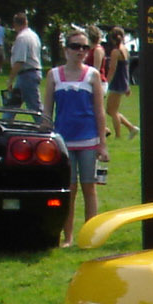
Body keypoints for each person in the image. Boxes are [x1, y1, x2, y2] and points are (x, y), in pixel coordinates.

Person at [43, 29, 109, 247]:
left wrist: (103, 144)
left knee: (89, 187)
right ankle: (68, 237)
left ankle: (90, 236)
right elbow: (47, 111)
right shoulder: (54, 75)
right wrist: (46, 140)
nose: (80, 51)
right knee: (68, 190)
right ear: (66, 49)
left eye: (84, 47)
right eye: (75, 47)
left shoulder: (92, 75)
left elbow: (100, 111)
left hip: (89, 140)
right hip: (63, 142)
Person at [103, 26, 139, 137]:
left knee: (112, 111)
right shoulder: (124, 49)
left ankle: (118, 135)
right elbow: (126, 69)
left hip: (117, 82)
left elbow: (112, 69)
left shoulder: (115, 51)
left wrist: (106, 82)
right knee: (111, 110)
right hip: (123, 82)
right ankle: (131, 128)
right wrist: (127, 84)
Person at [5, 13, 43, 111]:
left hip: (27, 75)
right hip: (31, 74)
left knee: (35, 107)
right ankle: (6, 123)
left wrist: (10, 79)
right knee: (12, 105)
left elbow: (20, 61)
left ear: (15, 24)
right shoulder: (34, 35)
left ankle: (46, 125)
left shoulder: (22, 38)